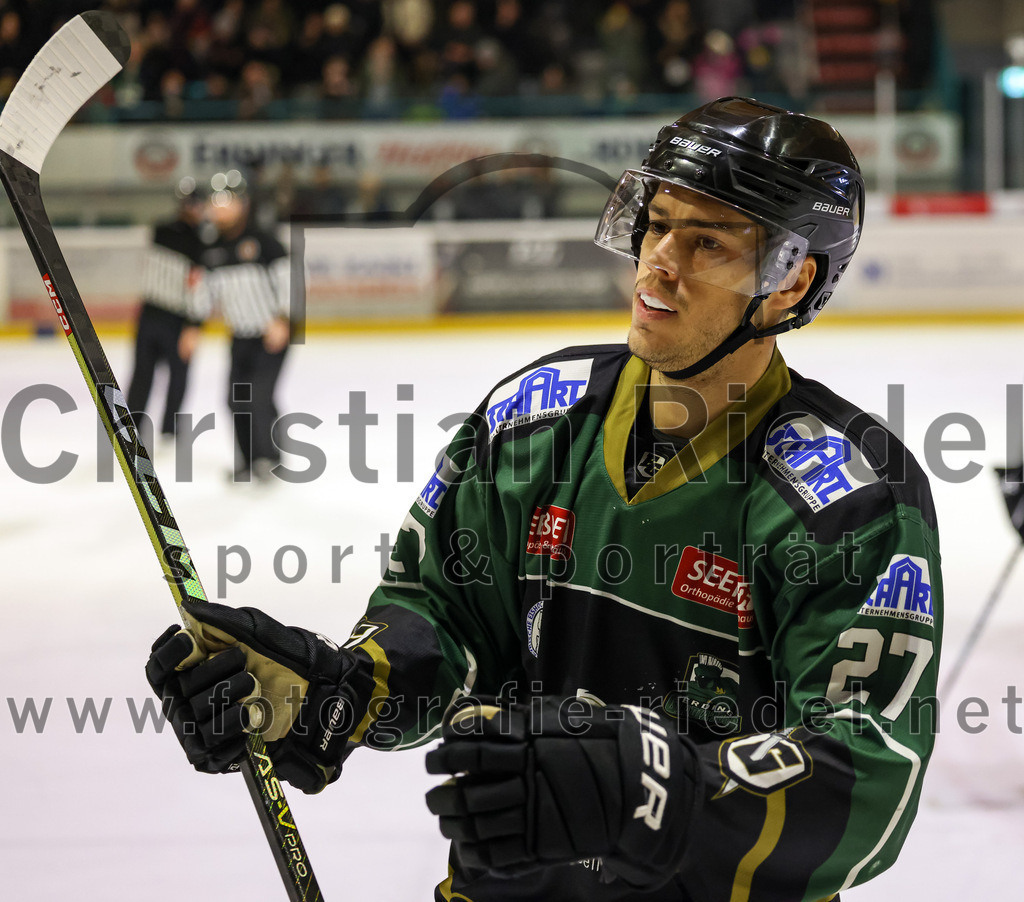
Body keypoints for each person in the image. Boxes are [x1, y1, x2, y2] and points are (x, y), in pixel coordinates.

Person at [146, 97, 942, 901]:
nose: (659, 260)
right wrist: (338, 695)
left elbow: (873, 771)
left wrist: (661, 798)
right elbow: (444, 615)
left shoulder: (851, 498)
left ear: (789, 280)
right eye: (658, 223)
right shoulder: (534, 415)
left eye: (706, 242)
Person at [193, 169, 292, 482]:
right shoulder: (211, 249)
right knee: (236, 399)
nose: (220, 208)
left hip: (269, 335)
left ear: (243, 204)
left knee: (259, 397)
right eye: (215, 201)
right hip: (239, 337)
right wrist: (192, 325)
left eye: (227, 201)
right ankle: (247, 461)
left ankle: (268, 459)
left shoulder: (264, 242)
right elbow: (204, 294)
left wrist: (283, 320)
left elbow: (289, 283)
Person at [125, 176, 207, 452]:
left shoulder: (192, 238)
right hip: (156, 313)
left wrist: (194, 325)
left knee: (174, 374)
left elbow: (201, 288)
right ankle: (137, 427)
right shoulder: (195, 239)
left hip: (176, 319)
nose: (193, 208)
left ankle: (167, 430)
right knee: (145, 374)